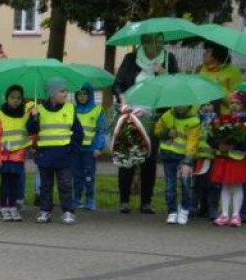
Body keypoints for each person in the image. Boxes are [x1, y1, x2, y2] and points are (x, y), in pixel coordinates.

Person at [113, 32, 179, 214]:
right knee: (127, 156)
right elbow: (117, 84)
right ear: (143, 42)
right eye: (153, 41)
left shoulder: (168, 59)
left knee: (149, 158)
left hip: (154, 116)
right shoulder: (131, 58)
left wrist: (164, 74)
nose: (157, 45)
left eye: (160, 41)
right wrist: (122, 98)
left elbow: (177, 86)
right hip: (131, 113)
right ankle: (124, 201)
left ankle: (146, 202)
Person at [27, 77, 82, 224]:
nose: (66, 93)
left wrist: (72, 149)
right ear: (52, 93)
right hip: (45, 155)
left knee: (65, 185)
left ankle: (68, 211)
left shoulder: (70, 109)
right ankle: (45, 210)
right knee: (45, 185)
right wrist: (33, 119)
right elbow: (30, 130)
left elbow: (78, 132)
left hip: (65, 155)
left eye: (66, 90)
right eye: (62, 91)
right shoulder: (38, 110)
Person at [0, 85, 33, 221]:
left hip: (18, 156)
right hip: (4, 155)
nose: (15, 100)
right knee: (5, 183)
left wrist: (35, 118)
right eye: (12, 97)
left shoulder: (26, 115)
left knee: (15, 182)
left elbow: (32, 132)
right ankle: (4, 207)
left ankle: (13, 206)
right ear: (7, 98)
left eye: (18, 98)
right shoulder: (0, 115)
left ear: (22, 100)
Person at [153, 103, 200, 226]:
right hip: (168, 155)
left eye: (183, 105)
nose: (180, 107)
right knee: (169, 185)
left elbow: (192, 142)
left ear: (189, 106)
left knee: (185, 184)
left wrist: (188, 161)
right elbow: (157, 131)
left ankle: (184, 209)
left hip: (184, 157)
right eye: (178, 105)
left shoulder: (194, 121)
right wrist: (167, 132)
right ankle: (172, 211)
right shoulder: (167, 115)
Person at [209, 91, 246, 226]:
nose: (234, 106)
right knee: (224, 185)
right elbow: (212, 136)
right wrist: (219, 144)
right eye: (232, 103)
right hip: (224, 157)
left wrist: (233, 145)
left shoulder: (243, 121)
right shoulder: (224, 119)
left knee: (236, 186)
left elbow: (243, 140)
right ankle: (224, 214)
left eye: (238, 103)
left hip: (238, 157)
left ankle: (236, 215)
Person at [71, 84, 107, 211]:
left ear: (90, 95)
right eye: (79, 94)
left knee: (88, 175)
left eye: (85, 94)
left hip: (90, 149)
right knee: (76, 175)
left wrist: (98, 147)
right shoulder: (72, 110)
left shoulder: (97, 110)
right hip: (75, 149)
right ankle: (76, 198)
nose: (82, 97)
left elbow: (101, 130)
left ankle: (90, 199)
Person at [192, 101, 220, 220]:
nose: (206, 106)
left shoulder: (217, 121)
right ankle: (193, 207)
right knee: (197, 184)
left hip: (213, 157)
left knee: (213, 185)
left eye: (209, 104)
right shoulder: (196, 120)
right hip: (198, 156)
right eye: (204, 104)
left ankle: (211, 208)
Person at [195, 42, 242, 109]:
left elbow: (238, 101)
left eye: (208, 52)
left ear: (217, 54)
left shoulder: (233, 71)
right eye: (205, 51)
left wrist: (218, 89)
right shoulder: (201, 68)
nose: (204, 54)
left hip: (222, 117)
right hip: (200, 113)